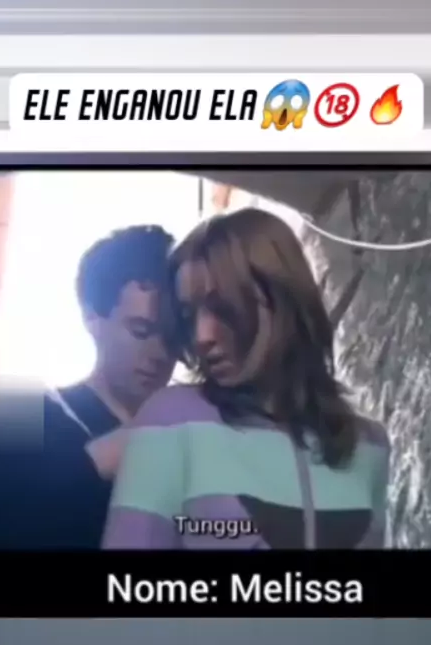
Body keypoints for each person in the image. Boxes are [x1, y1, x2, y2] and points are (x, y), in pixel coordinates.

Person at [103, 207, 391, 550]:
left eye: (222, 308)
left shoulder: (370, 445)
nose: (202, 336)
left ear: (281, 298)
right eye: (189, 315)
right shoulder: (171, 420)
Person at [0, 225, 176, 549]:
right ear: (91, 316)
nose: (160, 353)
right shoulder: (19, 408)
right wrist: (101, 459)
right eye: (141, 330)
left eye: (173, 336)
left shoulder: (190, 429)